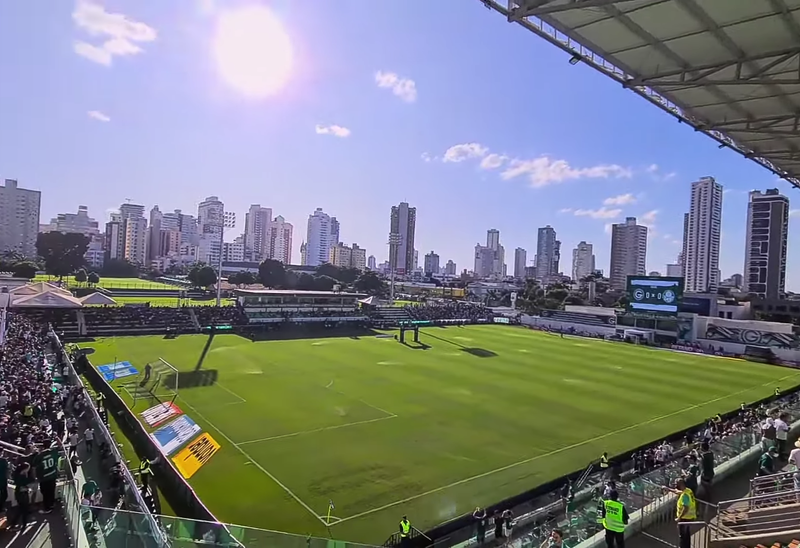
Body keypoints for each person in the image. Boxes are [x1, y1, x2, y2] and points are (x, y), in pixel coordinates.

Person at [35, 443, 61, 513]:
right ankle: (51, 504)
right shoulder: (53, 452)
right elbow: (60, 445)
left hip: (44, 478)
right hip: (52, 476)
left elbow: (34, 466)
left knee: (45, 493)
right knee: (51, 491)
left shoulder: (39, 456)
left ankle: (47, 509)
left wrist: (36, 476)